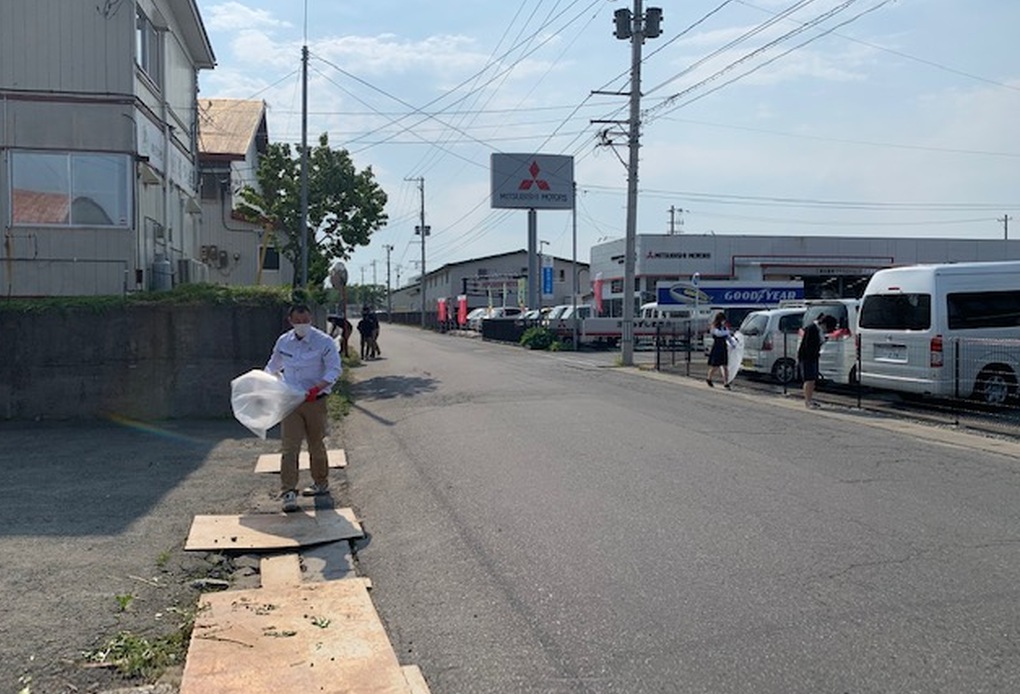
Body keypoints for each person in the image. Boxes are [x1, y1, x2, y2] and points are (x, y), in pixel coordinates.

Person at [265, 304, 342, 512]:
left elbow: (334, 369)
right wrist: (266, 382)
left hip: (315, 401)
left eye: (305, 321)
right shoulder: (284, 341)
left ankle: (320, 482)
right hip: (291, 401)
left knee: (316, 444)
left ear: (311, 320)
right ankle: (289, 491)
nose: (302, 325)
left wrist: (317, 389)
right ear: (290, 321)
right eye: (297, 321)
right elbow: (273, 365)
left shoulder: (323, 342)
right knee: (289, 446)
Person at [798, 313, 832, 409]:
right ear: (824, 324)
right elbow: (808, 345)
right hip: (807, 357)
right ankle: (808, 401)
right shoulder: (812, 329)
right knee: (809, 380)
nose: (826, 330)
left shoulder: (817, 329)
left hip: (812, 357)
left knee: (812, 380)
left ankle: (809, 399)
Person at [706, 311, 733, 389]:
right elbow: (718, 334)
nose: (723, 321)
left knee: (725, 366)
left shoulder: (724, 328)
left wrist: (733, 343)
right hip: (717, 347)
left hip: (723, 347)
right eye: (722, 320)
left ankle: (726, 382)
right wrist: (727, 332)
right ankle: (709, 378)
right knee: (715, 366)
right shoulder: (714, 327)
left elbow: (728, 336)